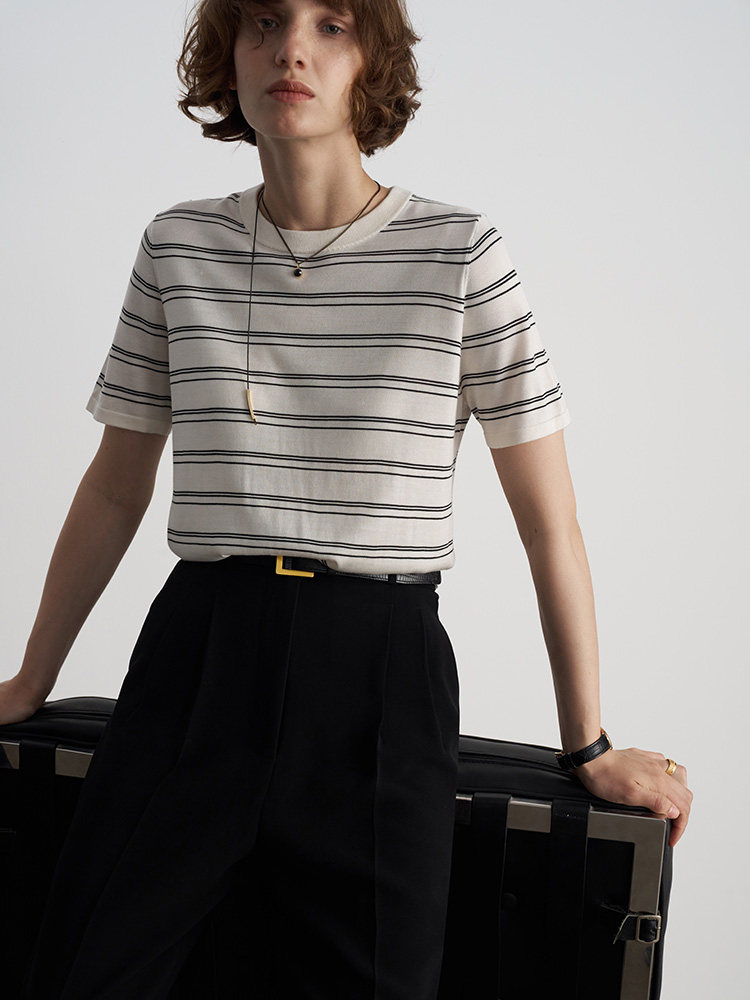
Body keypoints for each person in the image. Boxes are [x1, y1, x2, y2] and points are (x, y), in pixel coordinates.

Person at [1, 0, 692, 996]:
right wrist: (30, 679)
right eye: (263, 21)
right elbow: (114, 488)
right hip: (198, 657)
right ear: (227, 56)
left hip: (381, 674)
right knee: (85, 972)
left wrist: (587, 742)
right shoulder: (177, 246)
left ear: (375, 60)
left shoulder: (462, 254)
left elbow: (551, 527)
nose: (291, 48)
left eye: (332, 24)